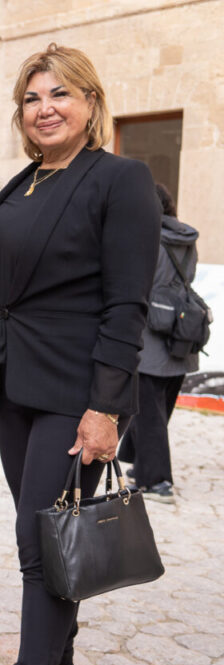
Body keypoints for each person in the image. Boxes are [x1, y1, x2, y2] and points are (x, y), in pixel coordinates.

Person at [0, 44, 160, 665]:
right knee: (57, 542)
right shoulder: (27, 180)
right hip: (19, 387)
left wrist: (105, 408)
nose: (45, 109)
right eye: (32, 98)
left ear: (92, 102)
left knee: (37, 541)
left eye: (60, 94)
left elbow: (127, 303)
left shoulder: (118, 179)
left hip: (79, 394)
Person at [118, 183, 201, 503]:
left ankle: (157, 482)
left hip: (151, 333)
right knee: (158, 406)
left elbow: (137, 283)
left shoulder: (145, 238)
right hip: (180, 331)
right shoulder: (186, 238)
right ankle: (141, 464)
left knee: (148, 410)